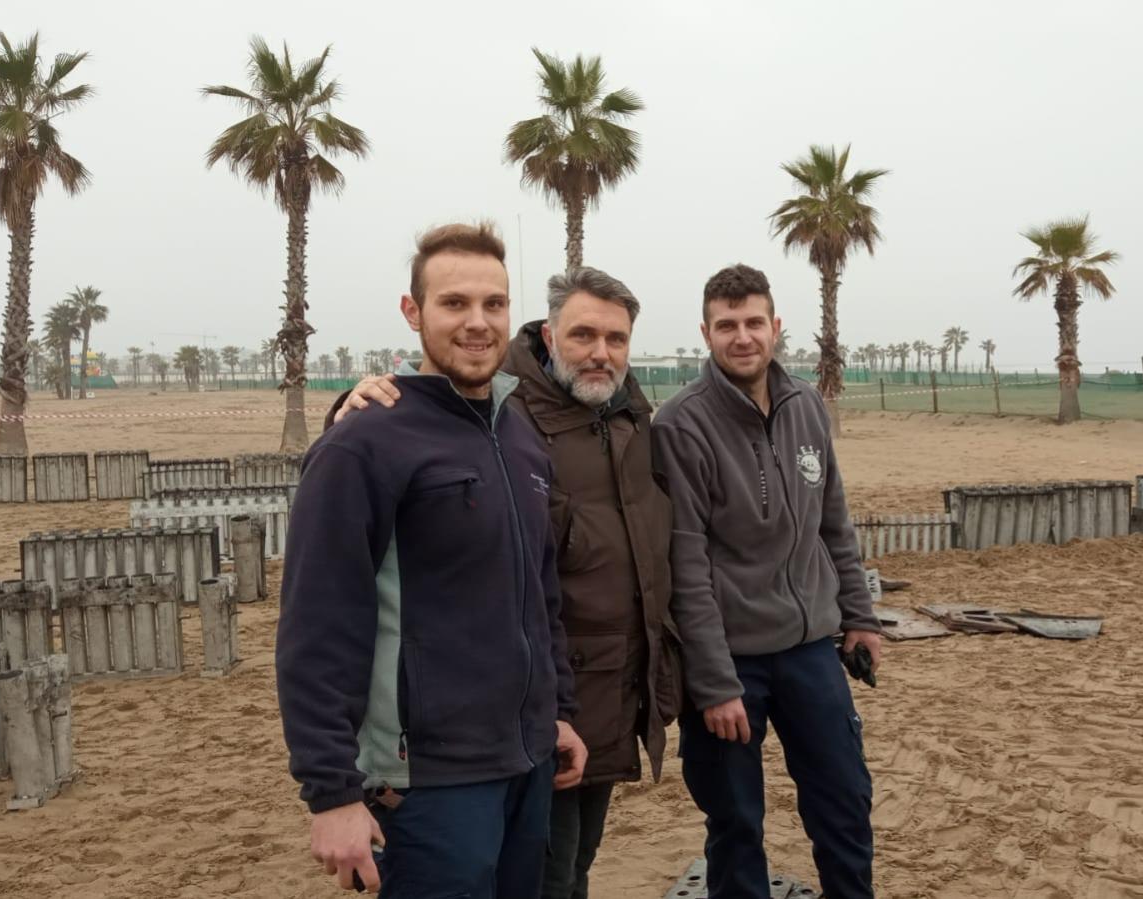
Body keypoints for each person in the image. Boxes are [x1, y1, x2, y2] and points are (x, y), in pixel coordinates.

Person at [331, 265, 681, 899]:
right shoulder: (502, 411)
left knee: (572, 866)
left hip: (599, 699)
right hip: (497, 715)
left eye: (616, 338)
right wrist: (354, 406)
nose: (600, 353)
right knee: (534, 871)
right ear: (548, 335)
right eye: (582, 336)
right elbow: (414, 429)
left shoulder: (634, 421)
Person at [276, 222, 586, 898]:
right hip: (426, 784)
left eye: (494, 304)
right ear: (413, 312)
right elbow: (316, 624)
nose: (477, 323)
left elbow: (540, 592)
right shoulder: (365, 443)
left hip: (526, 764)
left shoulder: (519, 434)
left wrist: (557, 710)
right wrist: (331, 792)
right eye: (454, 303)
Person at [651, 263, 882, 898]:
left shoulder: (806, 405)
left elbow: (833, 519)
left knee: (844, 797)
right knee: (735, 821)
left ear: (776, 327)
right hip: (730, 664)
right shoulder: (680, 424)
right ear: (706, 332)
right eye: (727, 325)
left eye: (754, 322)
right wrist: (715, 682)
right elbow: (687, 563)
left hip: (810, 649)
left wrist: (858, 616)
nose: (742, 336)